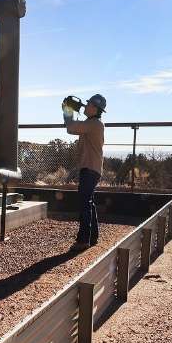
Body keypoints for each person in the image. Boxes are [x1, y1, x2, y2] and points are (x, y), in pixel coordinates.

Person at [63, 93, 106, 251]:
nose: (85, 106)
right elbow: (74, 127)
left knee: (85, 203)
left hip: (90, 168)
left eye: (88, 104)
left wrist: (67, 110)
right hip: (91, 168)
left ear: (95, 108)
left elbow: (71, 127)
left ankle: (83, 240)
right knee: (89, 202)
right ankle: (92, 237)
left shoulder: (94, 124)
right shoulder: (93, 123)